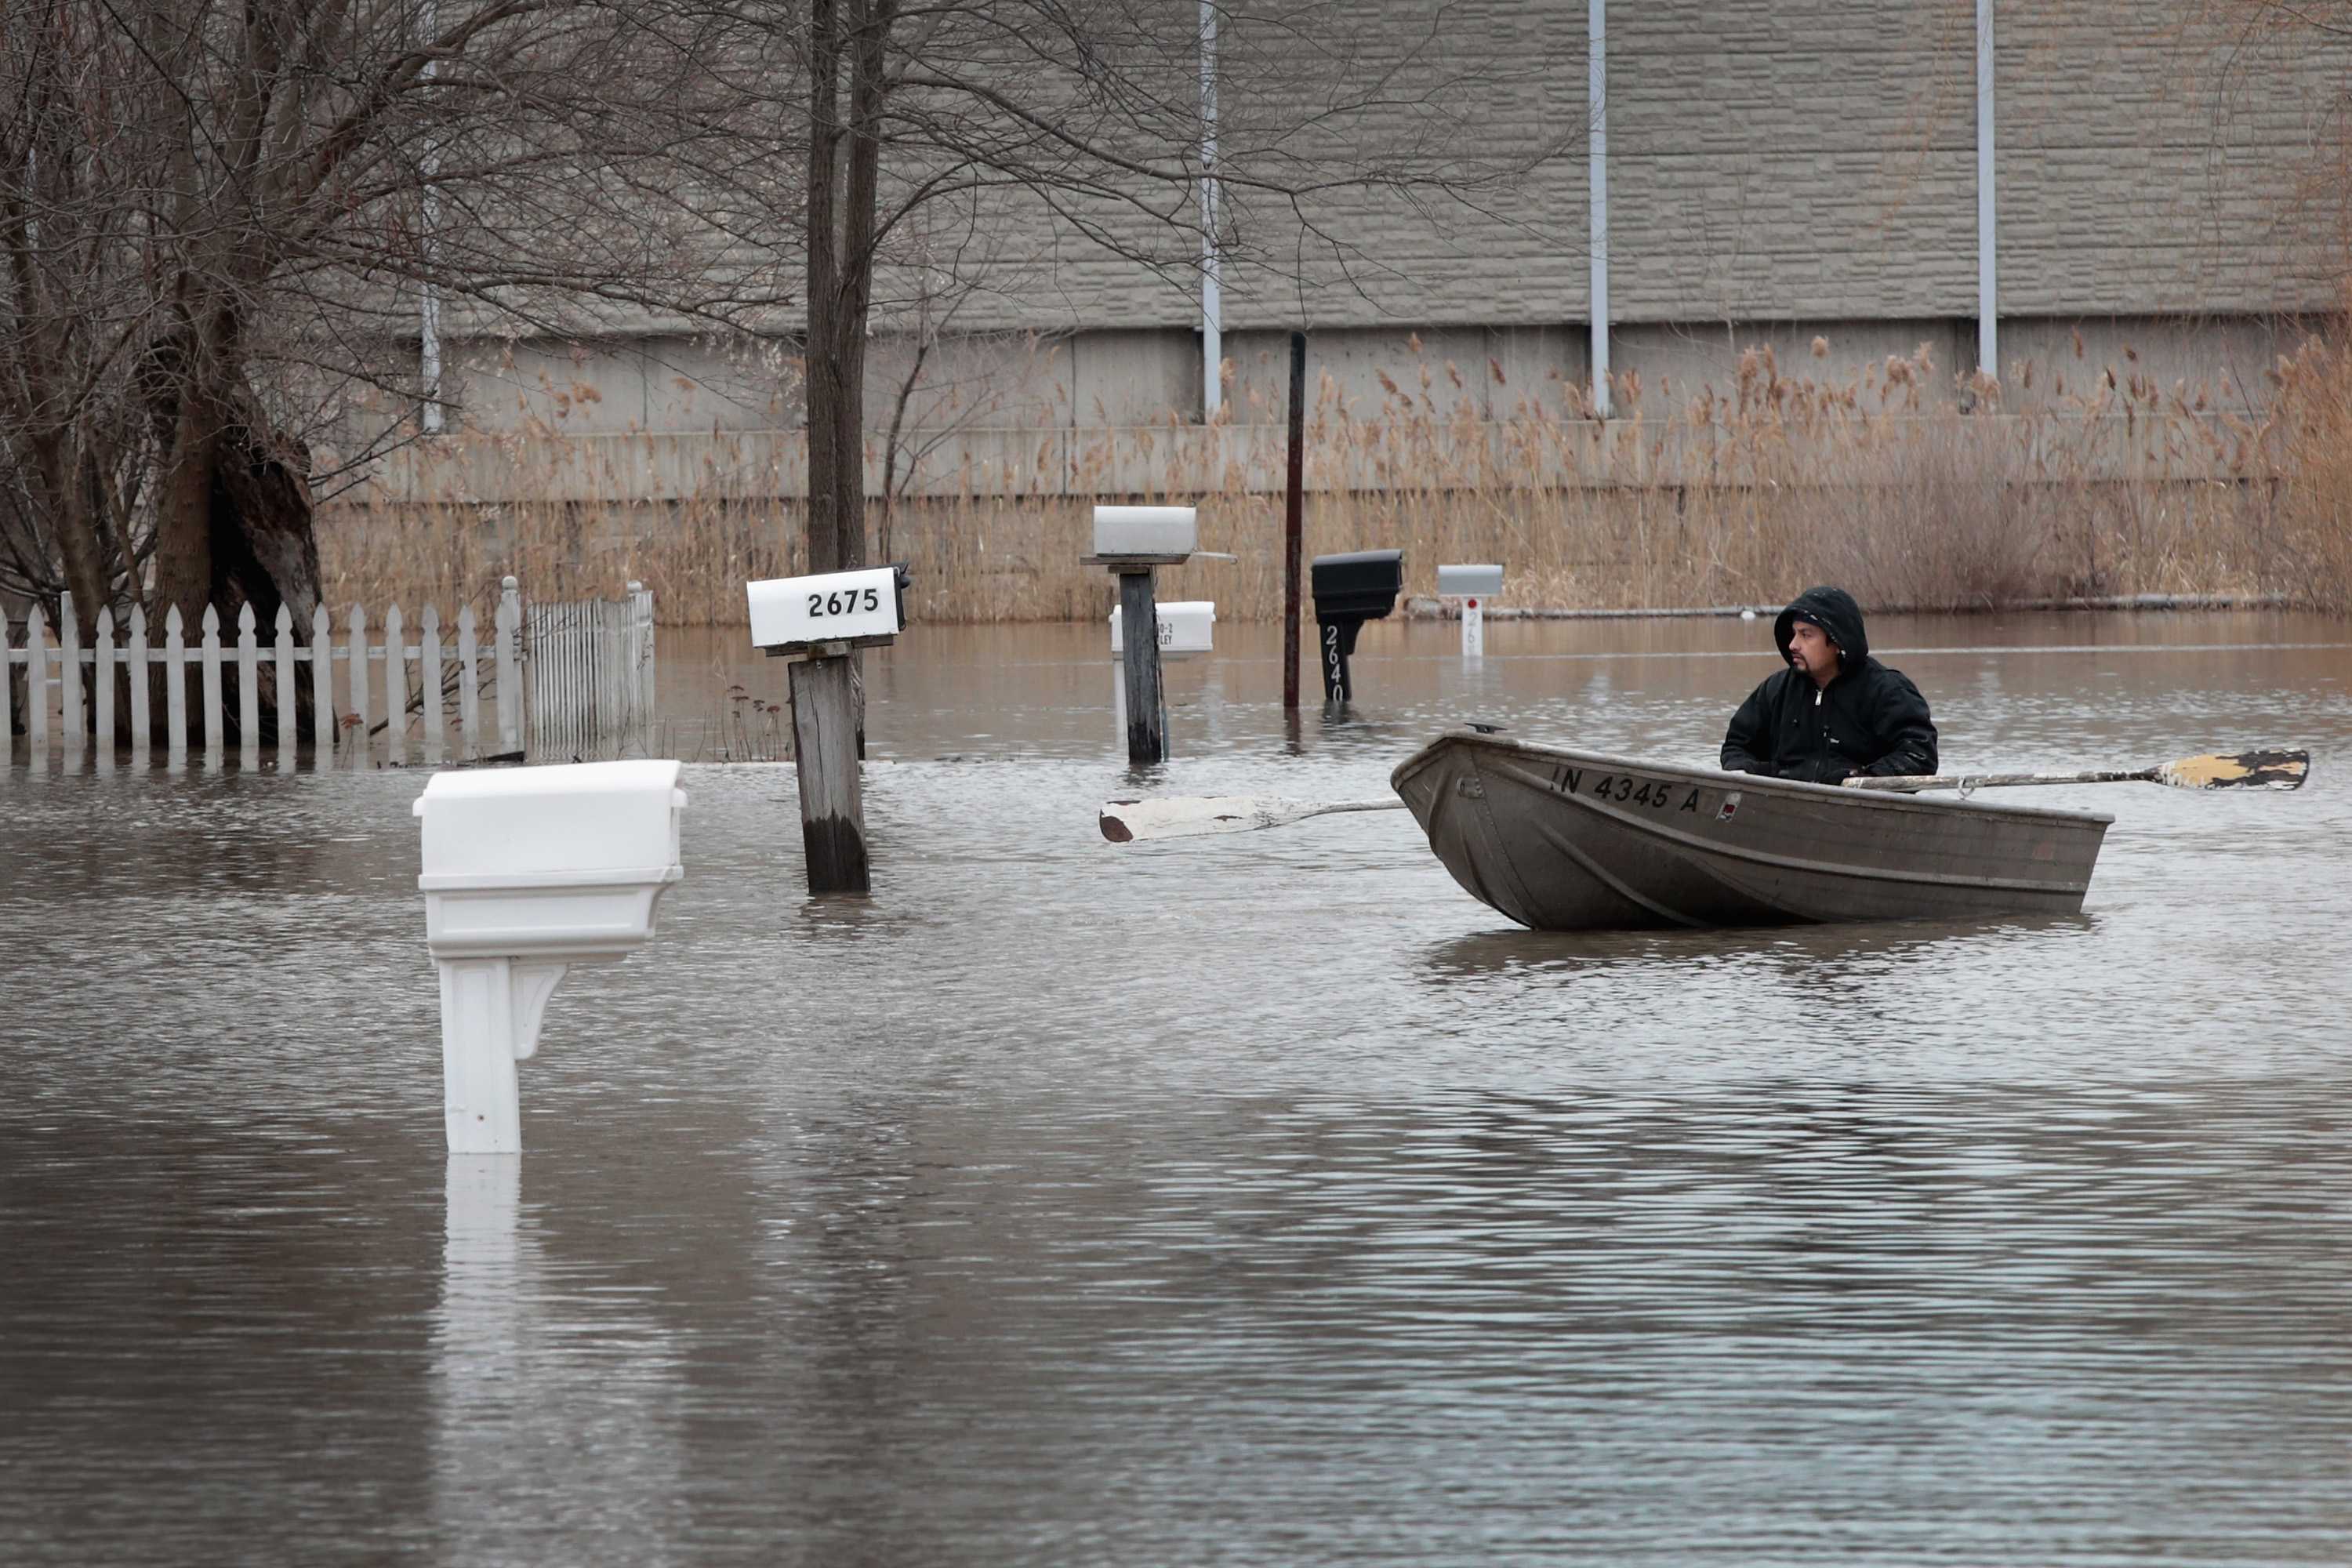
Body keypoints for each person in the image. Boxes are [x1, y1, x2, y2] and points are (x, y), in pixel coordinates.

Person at [1720, 586, 1936, 784]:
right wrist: (1749, 773)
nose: (1793, 645)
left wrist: (1865, 779)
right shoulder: (1776, 690)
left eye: (1806, 635)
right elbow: (1737, 745)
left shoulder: (1887, 691)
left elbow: (1919, 754)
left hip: (1861, 809)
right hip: (1785, 806)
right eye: (1794, 634)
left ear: (1836, 641)